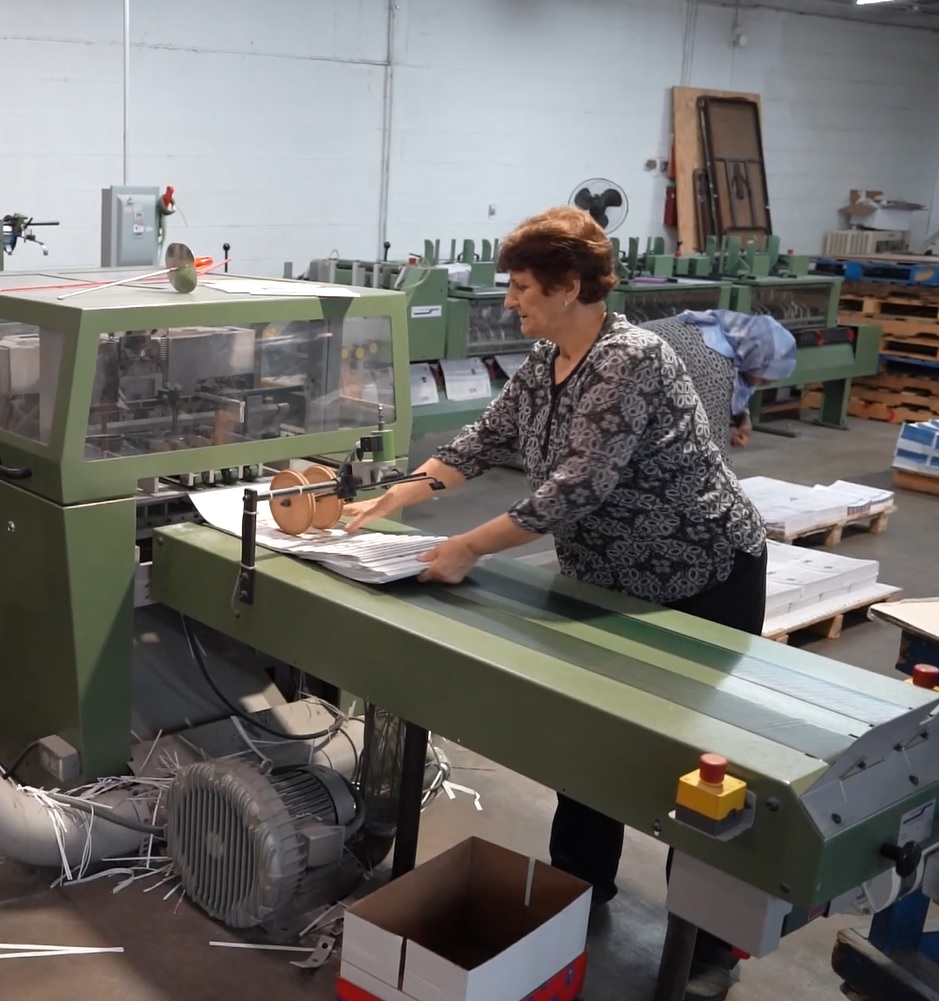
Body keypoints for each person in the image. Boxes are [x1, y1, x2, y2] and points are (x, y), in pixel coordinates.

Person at [340, 206, 767, 1001]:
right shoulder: (545, 361)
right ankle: (579, 885)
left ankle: (707, 946)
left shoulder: (629, 360)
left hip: (700, 574)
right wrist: (404, 491)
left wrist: (464, 545)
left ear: (570, 286)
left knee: (704, 765)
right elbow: (484, 437)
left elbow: (579, 485)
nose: (509, 301)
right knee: (590, 733)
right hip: (605, 577)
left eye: (523, 287)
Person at [644, 310, 798, 449]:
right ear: (754, 359)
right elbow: (708, 447)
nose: (767, 383)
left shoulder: (725, 334)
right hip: (638, 372)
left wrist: (741, 417)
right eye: (764, 378)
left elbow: (737, 385)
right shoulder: (715, 366)